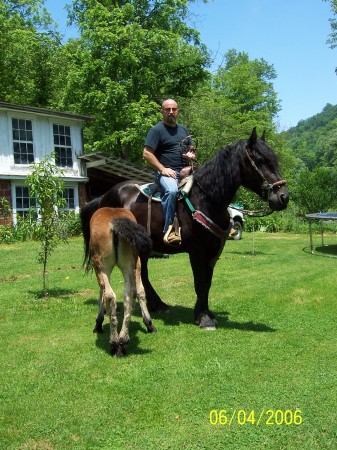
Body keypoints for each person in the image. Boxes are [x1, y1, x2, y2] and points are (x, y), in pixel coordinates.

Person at [143, 99, 196, 245]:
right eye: (168, 109)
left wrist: (191, 154)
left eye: (174, 109)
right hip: (166, 173)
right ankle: (170, 228)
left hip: (186, 172)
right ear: (162, 112)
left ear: (178, 111)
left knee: (209, 185)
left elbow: (191, 149)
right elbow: (147, 153)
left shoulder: (183, 130)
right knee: (172, 191)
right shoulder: (156, 131)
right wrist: (162, 169)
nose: (171, 112)